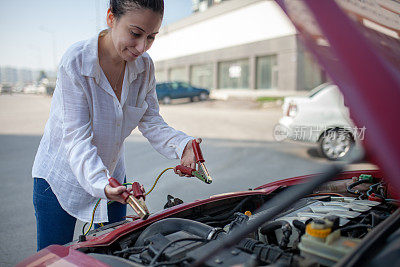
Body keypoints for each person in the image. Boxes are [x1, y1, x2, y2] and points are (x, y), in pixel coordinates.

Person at [32, 0, 199, 251]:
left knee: (114, 253)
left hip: (113, 180)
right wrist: (100, 183)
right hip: (60, 179)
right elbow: (76, 138)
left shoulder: (144, 67)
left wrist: (182, 145)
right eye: (135, 33)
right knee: (54, 257)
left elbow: (151, 120)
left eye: (151, 37)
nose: (142, 47)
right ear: (111, 18)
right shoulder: (76, 62)